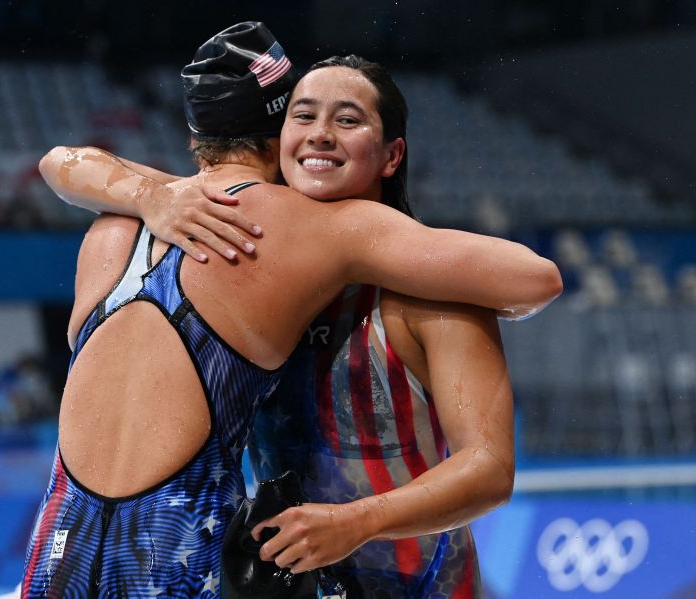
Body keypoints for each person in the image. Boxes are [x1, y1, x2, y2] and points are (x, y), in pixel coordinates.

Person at [31, 23, 561, 598]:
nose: (321, 136)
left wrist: (148, 191)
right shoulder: (280, 241)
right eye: (303, 117)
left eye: (348, 120)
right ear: (277, 135)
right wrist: (157, 193)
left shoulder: (433, 292)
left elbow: (62, 161)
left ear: (392, 155)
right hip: (244, 571)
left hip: (65, 550)